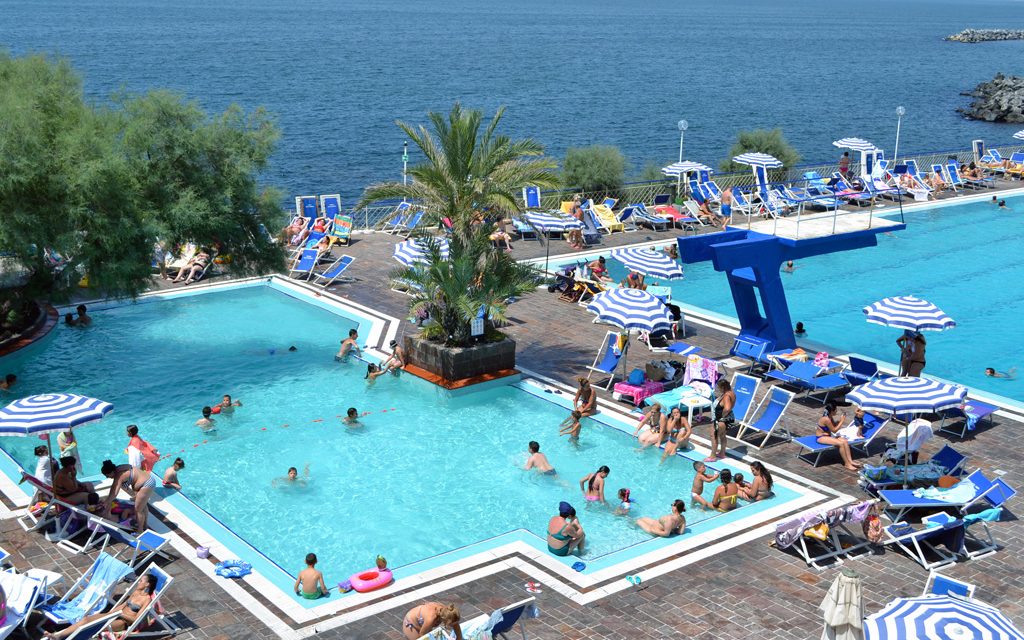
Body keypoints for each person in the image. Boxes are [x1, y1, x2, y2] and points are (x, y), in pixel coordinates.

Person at [42, 574, 159, 639]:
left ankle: (63, 636)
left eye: (141, 581)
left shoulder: (147, 600)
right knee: (86, 619)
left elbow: (136, 619)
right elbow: (123, 605)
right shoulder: (136, 592)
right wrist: (109, 614)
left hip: (123, 622)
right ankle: (59, 635)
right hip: (115, 615)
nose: (138, 582)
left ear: (147, 584)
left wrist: (120, 614)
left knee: (93, 626)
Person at [100, 459, 156, 533]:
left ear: (112, 472)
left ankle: (140, 530)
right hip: (147, 480)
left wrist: (106, 502)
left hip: (146, 484)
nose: (107, 477)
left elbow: (114, 493)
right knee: (143, 506)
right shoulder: (120, 468)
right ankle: (144, 525)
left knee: (138, 509)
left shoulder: (119, 476)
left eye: (107, 475)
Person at [817, 403, 861, 471]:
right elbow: (834, 430)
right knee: (841, 444)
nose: (836, 411)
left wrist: (839, 421)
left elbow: (834, 425)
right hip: (821, 437)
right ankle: (847, 464)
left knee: (845, 441)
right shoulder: (826, 419)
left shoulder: (830, 417)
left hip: (828, 436)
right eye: (835, 410)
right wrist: (842, 421)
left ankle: (850, 461)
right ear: (832, 411)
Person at [708, 378, 735, 461]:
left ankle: (712, 456)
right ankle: (722, 453)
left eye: (719, 387)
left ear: (723, 387)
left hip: (722, 420)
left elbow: (727, 408)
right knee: (722, 435)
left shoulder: (726, 396)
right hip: (728, 419)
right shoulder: (731, 393)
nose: (718, 389)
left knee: (714, 436)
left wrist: (721, 416)